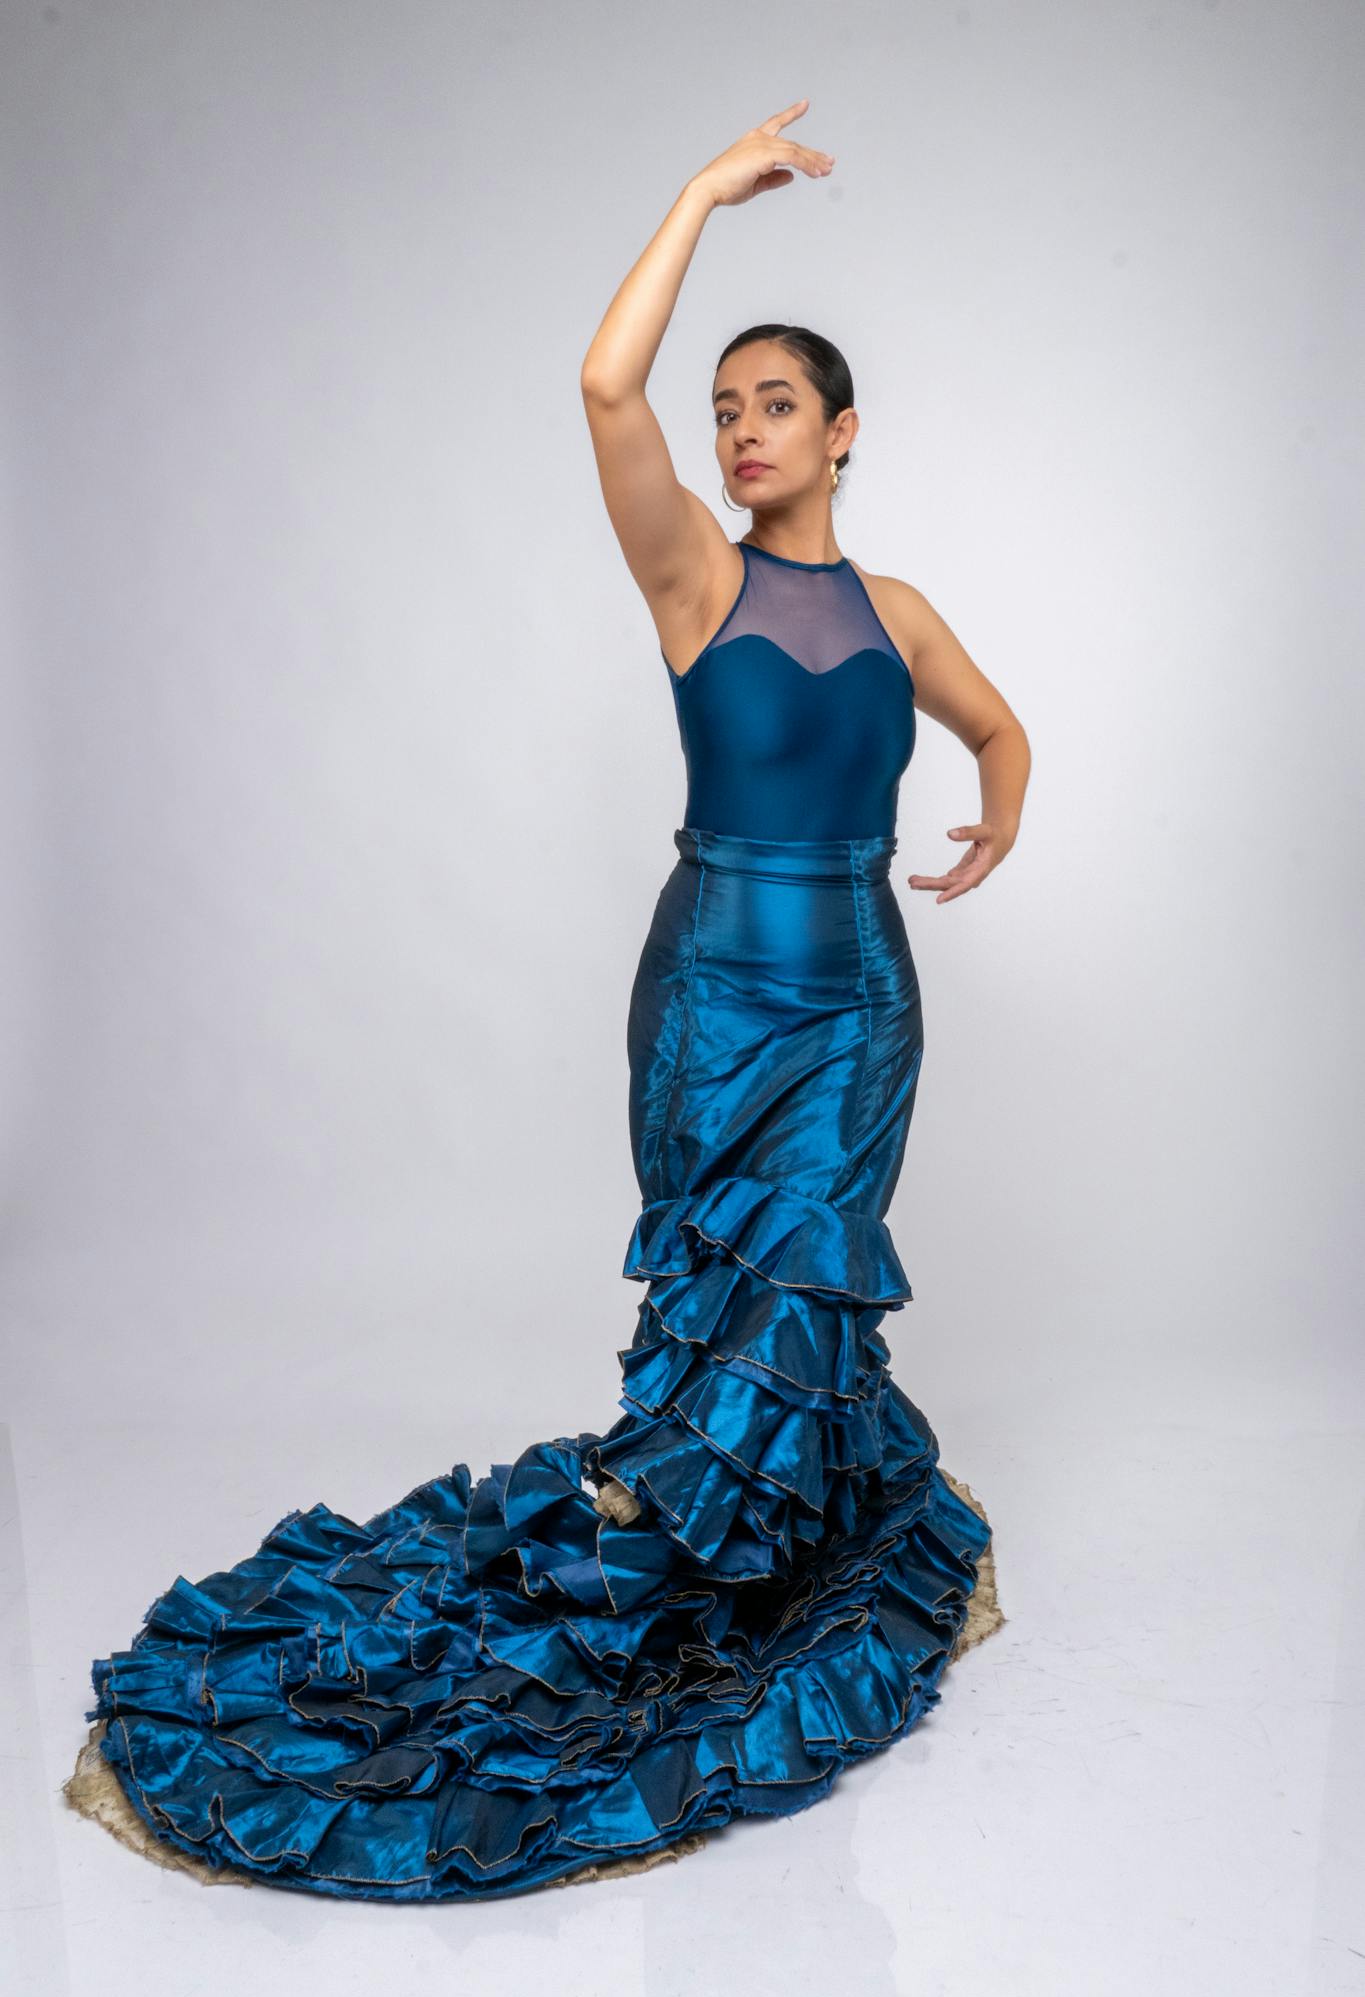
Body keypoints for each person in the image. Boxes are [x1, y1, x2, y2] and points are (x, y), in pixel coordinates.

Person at [66, 101, 1024, 1902]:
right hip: (714, 984)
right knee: (716, 1277)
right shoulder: (693, 581)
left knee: (812, 1263)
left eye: (772, 405)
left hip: (860, 1000)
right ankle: (679, 1554)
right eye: (726, 406)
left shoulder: (894, 609)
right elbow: (604, 392)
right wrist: (697, 196)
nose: (738, 431)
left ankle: (767, 1529)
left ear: (842, 433)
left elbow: (1000, 727)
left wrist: (996, 825)